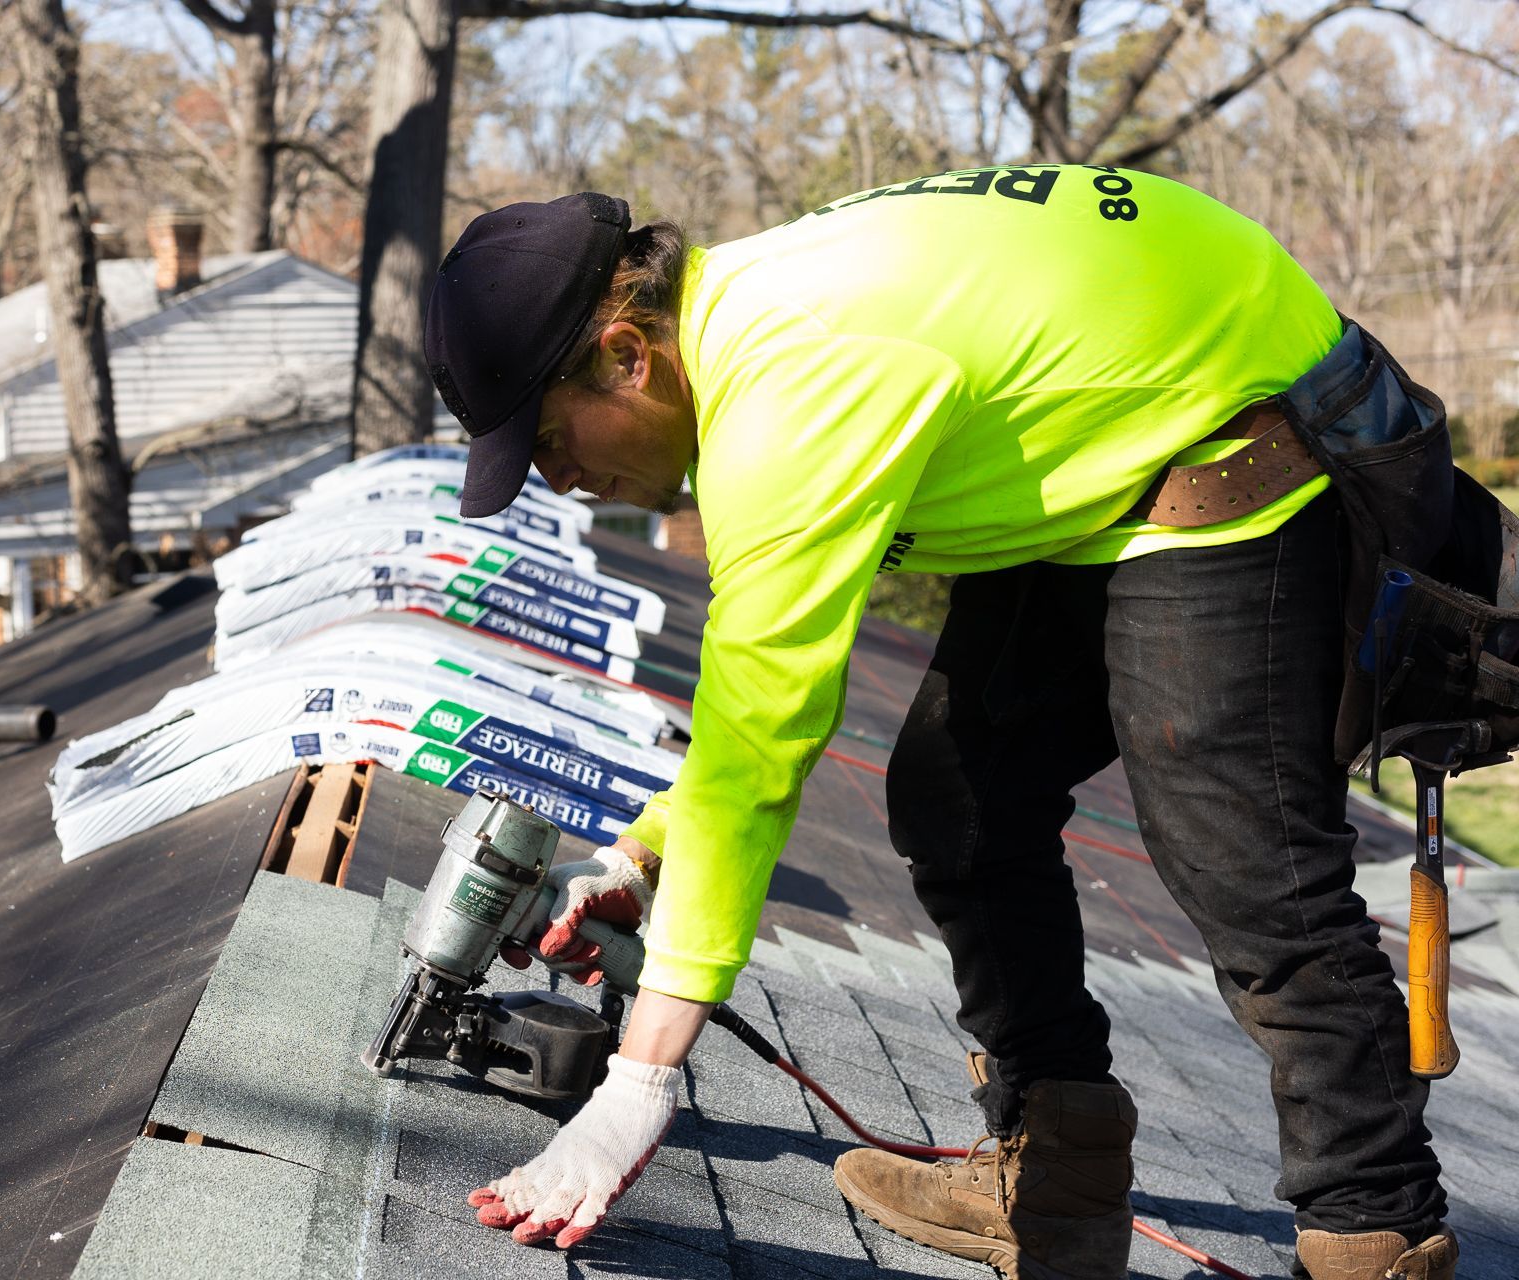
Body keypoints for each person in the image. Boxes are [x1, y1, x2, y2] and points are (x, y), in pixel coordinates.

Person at [423, 173, 1459, 1280]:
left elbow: (763, 738)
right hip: (1100, 446)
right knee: (956, 794)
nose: (561, 481)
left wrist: (638, 1081)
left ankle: (1375, 1229)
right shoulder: (748, 335)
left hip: (1228, 430)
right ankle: (1058, 1182)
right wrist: (644, 857)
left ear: (628, 354)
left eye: (545, 440)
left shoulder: (787, 391)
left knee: (1248, 863)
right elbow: (748, 712)